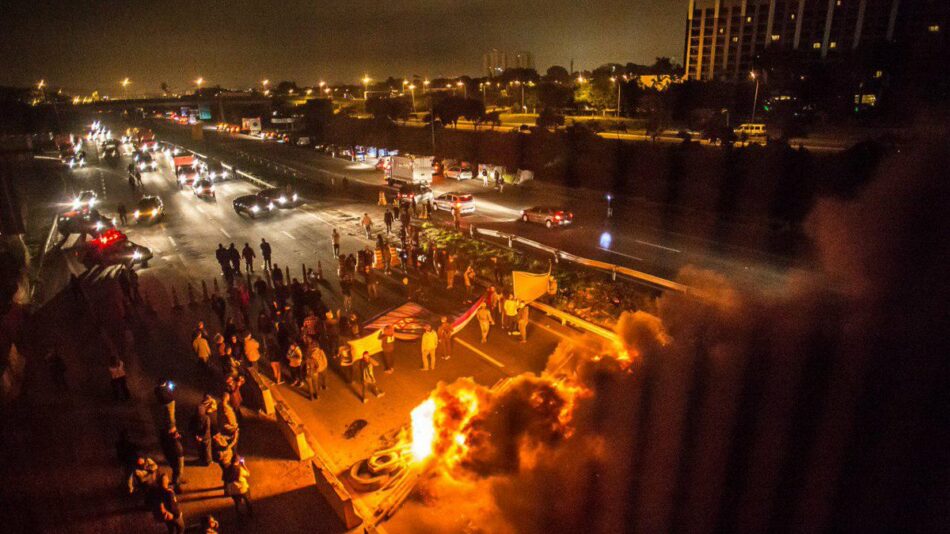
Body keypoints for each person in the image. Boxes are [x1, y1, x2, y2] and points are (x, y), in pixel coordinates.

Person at [160, 427, 186, 493]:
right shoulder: (169, 441)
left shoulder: (172, 439)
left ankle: (178, 481)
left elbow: (181, 437)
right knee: (178, 471)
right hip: (176, 457)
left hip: (178, 456)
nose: (177, 433)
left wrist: (177, 436)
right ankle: (176, 486)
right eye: (175, 432)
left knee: (178, 471)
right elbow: (170, 451)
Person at [193, 395, 217, 466]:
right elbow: (207, 428)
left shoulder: (201, 408)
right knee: (206, 448)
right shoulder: (206, 416)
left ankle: (204, 459)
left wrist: (197, 435)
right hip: (206, 433)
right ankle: (207, 461)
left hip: (202, 433)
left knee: (203, 448)